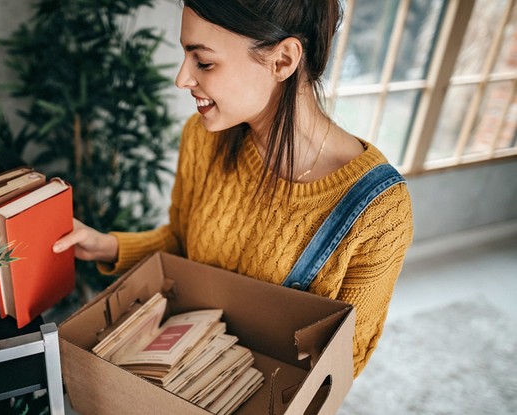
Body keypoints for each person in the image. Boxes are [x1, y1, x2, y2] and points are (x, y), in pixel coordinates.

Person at [53, 0, 413, 377]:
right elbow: (182, 244)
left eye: (203, 62)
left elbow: (342, 364)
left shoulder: (379, 211)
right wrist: (108, 245)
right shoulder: (204, 138)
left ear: (283, 61)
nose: (182, 79)